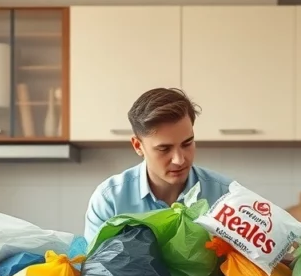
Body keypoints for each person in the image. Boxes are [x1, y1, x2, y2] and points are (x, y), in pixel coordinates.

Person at [83, 88, 233, 242]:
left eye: (187, 143)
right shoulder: (110, 199)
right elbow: (96, 264)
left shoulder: (227, 196)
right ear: (137, 146)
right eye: (164, 148)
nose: (179, 160)